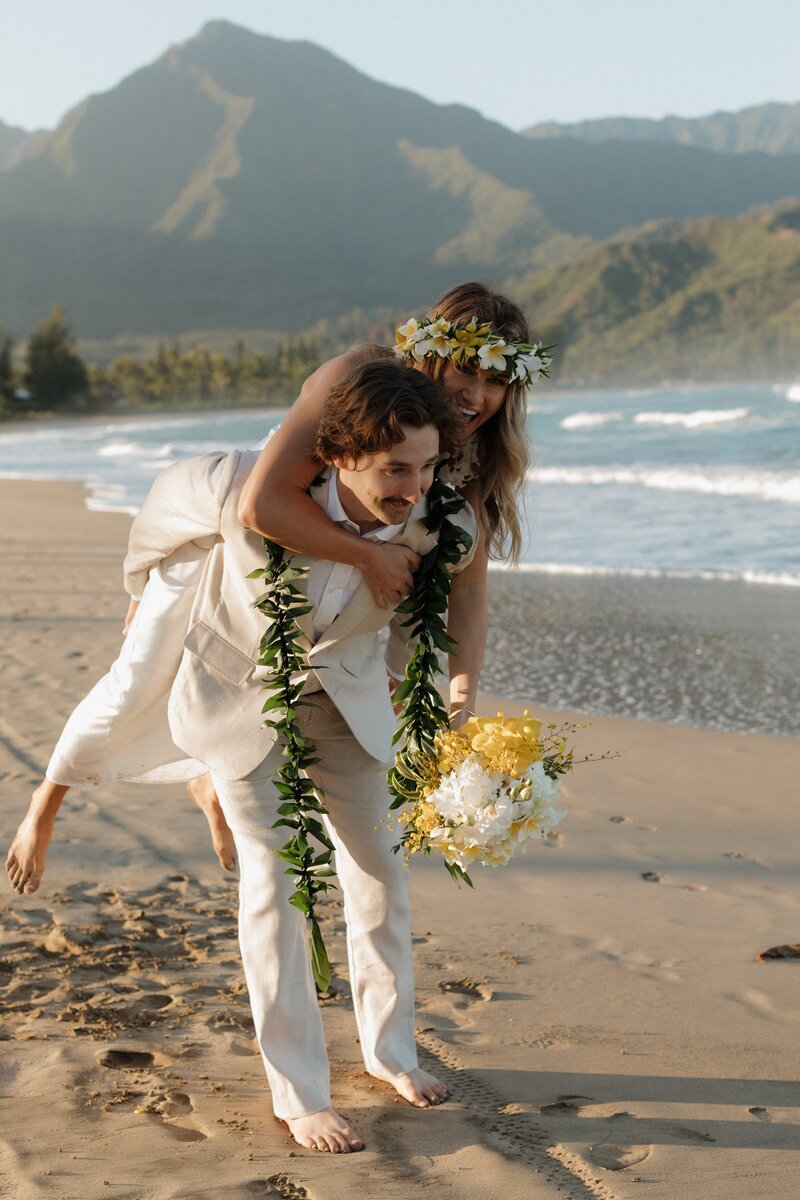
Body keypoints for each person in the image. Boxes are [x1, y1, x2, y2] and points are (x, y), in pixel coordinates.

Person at [9, 360, 478, 1153]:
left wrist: (437, 693)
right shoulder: (245, 496)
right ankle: (299, 1095)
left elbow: (437, 617)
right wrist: (144, 583)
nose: (414, 485)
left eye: (428, 466)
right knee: (277, 883)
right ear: (337, 457)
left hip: (348, 703)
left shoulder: (437, 525)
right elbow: (166, 503)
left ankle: (389, 1051)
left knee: (379, 871)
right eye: (397, 468)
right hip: (242, 699)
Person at [7, 281, 538, 892]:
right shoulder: (361, 379)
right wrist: (368, 557)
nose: (476, 396)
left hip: (327, 582)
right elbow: (261, 501)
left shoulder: (473, 461)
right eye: (465, 371)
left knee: (330, 694)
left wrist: (460, 698)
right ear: (432, 352)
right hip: (230, 539)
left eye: (497, 381)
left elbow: (466, 594)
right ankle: (46, 802)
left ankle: (211, 779)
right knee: (139, 675)